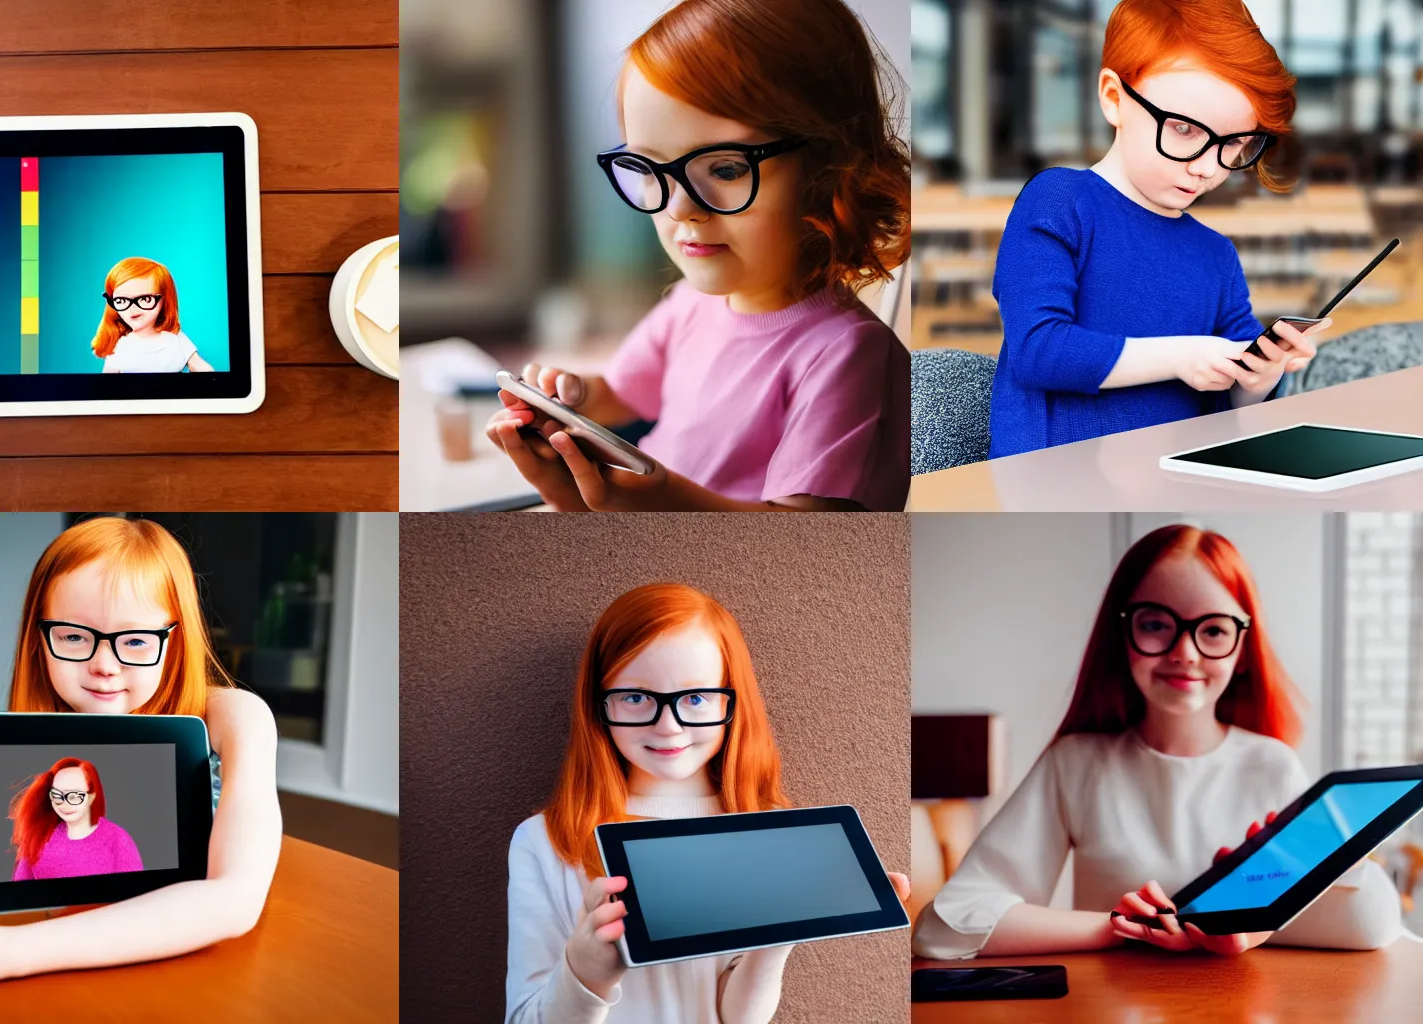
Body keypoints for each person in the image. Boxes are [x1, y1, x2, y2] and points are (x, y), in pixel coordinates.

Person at [486, 0, 911, 512]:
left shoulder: (845, 354)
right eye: (650, 169)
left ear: (832, 171)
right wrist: (569, 398)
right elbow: (620, 394)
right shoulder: (690, 305)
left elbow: (810, 538)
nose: (681, 207)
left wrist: (662, 500)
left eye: (727, 170)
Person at [913, 524, 1401, 959]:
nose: (1184, 652)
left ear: (1244, 651)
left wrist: (1256, 927)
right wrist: (1121, 929)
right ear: (1121, 635)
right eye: (1154, 625)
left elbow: (1374, 923)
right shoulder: (1077, 763)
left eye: (1213, 630)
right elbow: (944, 927)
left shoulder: (1271, 764)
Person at [0, 516, 281, 994]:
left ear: (173, 643)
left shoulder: (237, 717)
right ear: (41, 639)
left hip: (201, 972)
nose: (104, 666)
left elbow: (234, 900)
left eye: (135, 640)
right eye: (74, 636)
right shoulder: (43, 741)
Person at [506, 582, 910, 1022]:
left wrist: (782, 933)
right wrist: (585, 973)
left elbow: (737, 1017)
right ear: (598, 704)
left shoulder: (768, 833)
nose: (668, 726)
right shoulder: (544, 842)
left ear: (732, 701)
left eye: (696, 698)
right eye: (636, 697)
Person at [987, 0, 1328, 458]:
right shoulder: (1060, 200)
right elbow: (1037, 349)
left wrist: (1261, 374)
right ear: (1114, 98)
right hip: (1059, 481)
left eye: (1236, 144)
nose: (1208, 168)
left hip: (1185, 477)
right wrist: (1182, 357)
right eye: (1185, 130)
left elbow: (1230, 403)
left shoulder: (1215, 253)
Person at [9, 757, 146, 881]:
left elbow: (135, 898)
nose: (64, 804)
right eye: (57, 795)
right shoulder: (38, 838)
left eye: (74, 796)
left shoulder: (117, 840)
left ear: (91, 796)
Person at [94, 257, 214, 373]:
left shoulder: (177, 340)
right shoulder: (120, 346)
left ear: (164, 300)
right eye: (122, 301)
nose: (133, 308)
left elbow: (199, 366)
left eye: (145, 299)